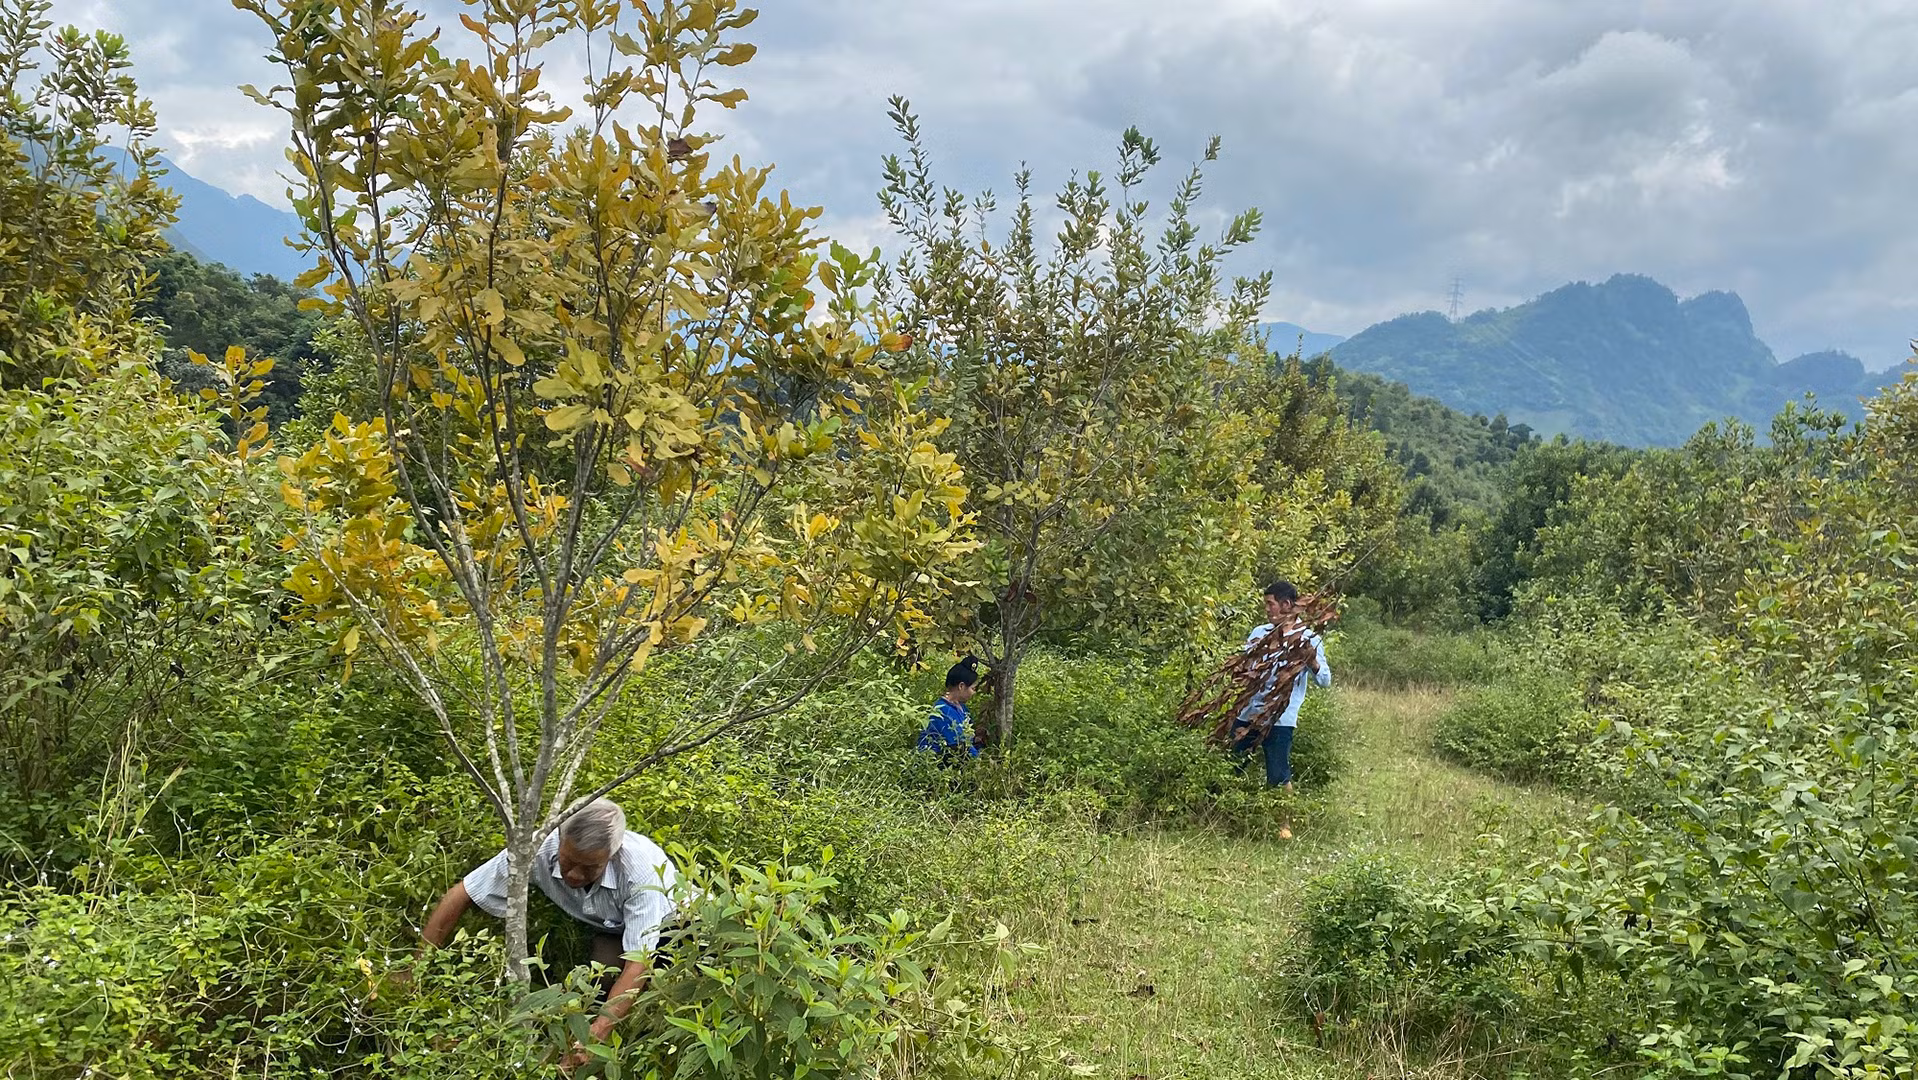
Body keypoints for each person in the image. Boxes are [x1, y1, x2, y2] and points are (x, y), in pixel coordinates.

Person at [416, 799, 689, 1061]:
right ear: (559, 838)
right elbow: (464, 892)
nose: (574, 875)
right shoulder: (538, 848)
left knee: (666, 1004)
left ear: (611, 855)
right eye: (568, 861)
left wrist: (598, 1033)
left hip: (680, 926)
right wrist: (415, 969)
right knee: (599, 979)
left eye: (590, 867)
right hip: (616, 928)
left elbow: (639, 961)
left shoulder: (639, 871)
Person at [1232, 581, 1331, 835]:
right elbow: (1245, 667)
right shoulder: (1259, 633)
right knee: (1231, 763)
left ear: (1286, 605)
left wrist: (1312, 661)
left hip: (1281, 717)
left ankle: (1283, 826)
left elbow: (1325, 680)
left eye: (1270, 604)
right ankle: (1225, 817)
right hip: (1249, 713)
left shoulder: (1308, 638)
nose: (1267, 609)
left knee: (1278, 772)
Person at [916, 655, 983, 759]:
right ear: (961, 686)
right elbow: (962, 747)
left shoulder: (962, 708)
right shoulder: (943, 711)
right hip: (934, 764)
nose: (974, 693)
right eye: (973, 689)